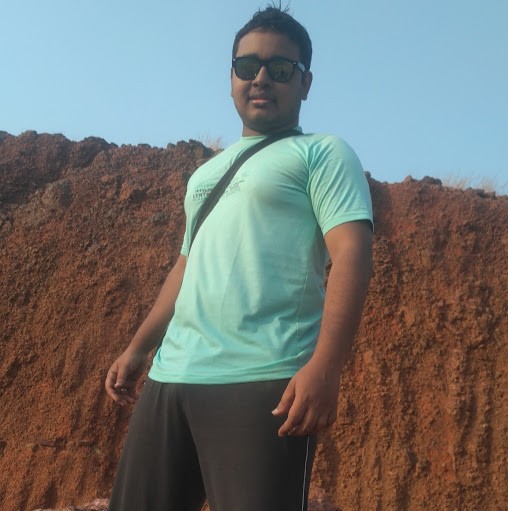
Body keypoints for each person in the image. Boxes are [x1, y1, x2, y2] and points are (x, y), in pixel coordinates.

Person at [105, 5, 373, 511]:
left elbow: (351, 255)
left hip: (264, 378)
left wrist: (327, 366)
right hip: (170, 376)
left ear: (305, 82)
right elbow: (185, 267)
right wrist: (139, 349)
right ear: (231, 77)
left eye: (281, 68)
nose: (261, 78)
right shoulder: (205, 174)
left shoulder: (323, 153)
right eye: (247, 66)